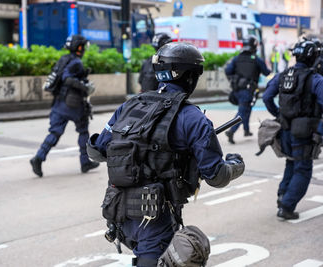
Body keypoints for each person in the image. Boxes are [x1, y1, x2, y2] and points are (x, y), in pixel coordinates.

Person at [87, 42, 245, 266]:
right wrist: (236, 165)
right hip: (155, 219)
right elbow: (216, 176)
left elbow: (97, 149)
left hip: (119, 213)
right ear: (190, 77)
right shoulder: (193, 118)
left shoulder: (130, 105)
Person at [263, 40, 323, 220]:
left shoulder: (283, 75)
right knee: (303, 169)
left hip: (284, 128)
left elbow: (267, 96)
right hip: (304, 131)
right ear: (313, 57)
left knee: (291, 162)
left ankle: (282, 195)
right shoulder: (316, 79)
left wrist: (278, 114)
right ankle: (287, 206)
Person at [30, 34, 99, 177]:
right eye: (82, 46)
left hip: (59, 103)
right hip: (73, 104)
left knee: (55, 132)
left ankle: (38, 158)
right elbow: (67, 78)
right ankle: (85, 162)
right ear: (79, 48)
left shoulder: (64, 59)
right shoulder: (76, 63)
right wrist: (85, 87)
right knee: (83, 131)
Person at [225, 35, 271, 144]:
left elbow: (228, 71)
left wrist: (235, 79)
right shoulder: (256, 59)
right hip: (248, 90)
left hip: (237, 89)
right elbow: (266, 72)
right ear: (254, 46)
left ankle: (246, 130)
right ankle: (231, 131)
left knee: (247, 109)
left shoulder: (237, 58)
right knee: (242, 112)